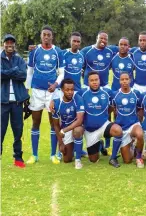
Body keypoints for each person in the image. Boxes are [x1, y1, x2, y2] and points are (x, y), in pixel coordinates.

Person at [26, 25, 65, 164]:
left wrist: (55, 85)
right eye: (44, 34)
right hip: (36, 91)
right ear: (41, 36)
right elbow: (29, 72)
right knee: (35, 122)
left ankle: (53, 155)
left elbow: (61, 73)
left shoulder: (57, 51)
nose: (46, 37)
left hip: (52, 93)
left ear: (52, 36)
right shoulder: (35, 51)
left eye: (49, 34)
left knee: (53, 123)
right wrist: (26, 90)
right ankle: (34, 155)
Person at [81, 31, 117, 153]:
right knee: (85, 111)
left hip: (104, 86)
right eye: (101, 38)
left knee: (108, 110)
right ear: (96, 38)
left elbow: (127, 48)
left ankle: (107, 145)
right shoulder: (87, 51)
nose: (103, 40)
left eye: (105, 39)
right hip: (87, 86)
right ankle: (89, 140)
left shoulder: (110, 50)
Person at [81, 71, 123, 167]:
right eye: (92, 80)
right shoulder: (82, 93)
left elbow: (120, 95)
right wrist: (54, 101)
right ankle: (100, 144)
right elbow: (69, 97)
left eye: (96, 80)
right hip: (89, 130)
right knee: (93, 160)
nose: (94, 82)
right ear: (88, 82)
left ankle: (112, 158)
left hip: (103, 125)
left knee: (118, 130)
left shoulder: (107, 92)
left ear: (99, 80)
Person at [1, 34, 29, 168]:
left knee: (18, 131)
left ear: (14, 45)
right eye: (7, 42)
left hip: (17, 102)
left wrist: (7, 72)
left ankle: (18, 158)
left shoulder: (19, 59)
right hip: (3, 101)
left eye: (12, 42)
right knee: (1, 131)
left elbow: (23, 76)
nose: (9, 44)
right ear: (3, 44)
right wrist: (14, 71)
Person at [111, 72, 144, 168]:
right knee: (127, 160)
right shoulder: (115, 95)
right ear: (119, 81)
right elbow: (114, 110)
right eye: (122, 79)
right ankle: (132, 145)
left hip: (133, 124)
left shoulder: (136, 93)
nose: (124, 81)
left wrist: (139, 124)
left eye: (126, 79)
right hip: (122, 128)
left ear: (130, 80)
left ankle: (139, 157)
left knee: (140, 134)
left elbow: (140, 109)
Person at [52, 79, 85, 169]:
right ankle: (76, 149)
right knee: (67, 160)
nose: (70, 92)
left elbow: (79, 120)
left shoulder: (77, 99)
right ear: (62, 90)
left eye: (72, 89)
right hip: (65, 131)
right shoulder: (57, 103)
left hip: (76, 127)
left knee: (77, 131)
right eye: (67, 90)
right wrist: (61, 143)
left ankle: (78, 160)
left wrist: (64, 130)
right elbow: (56, 125)